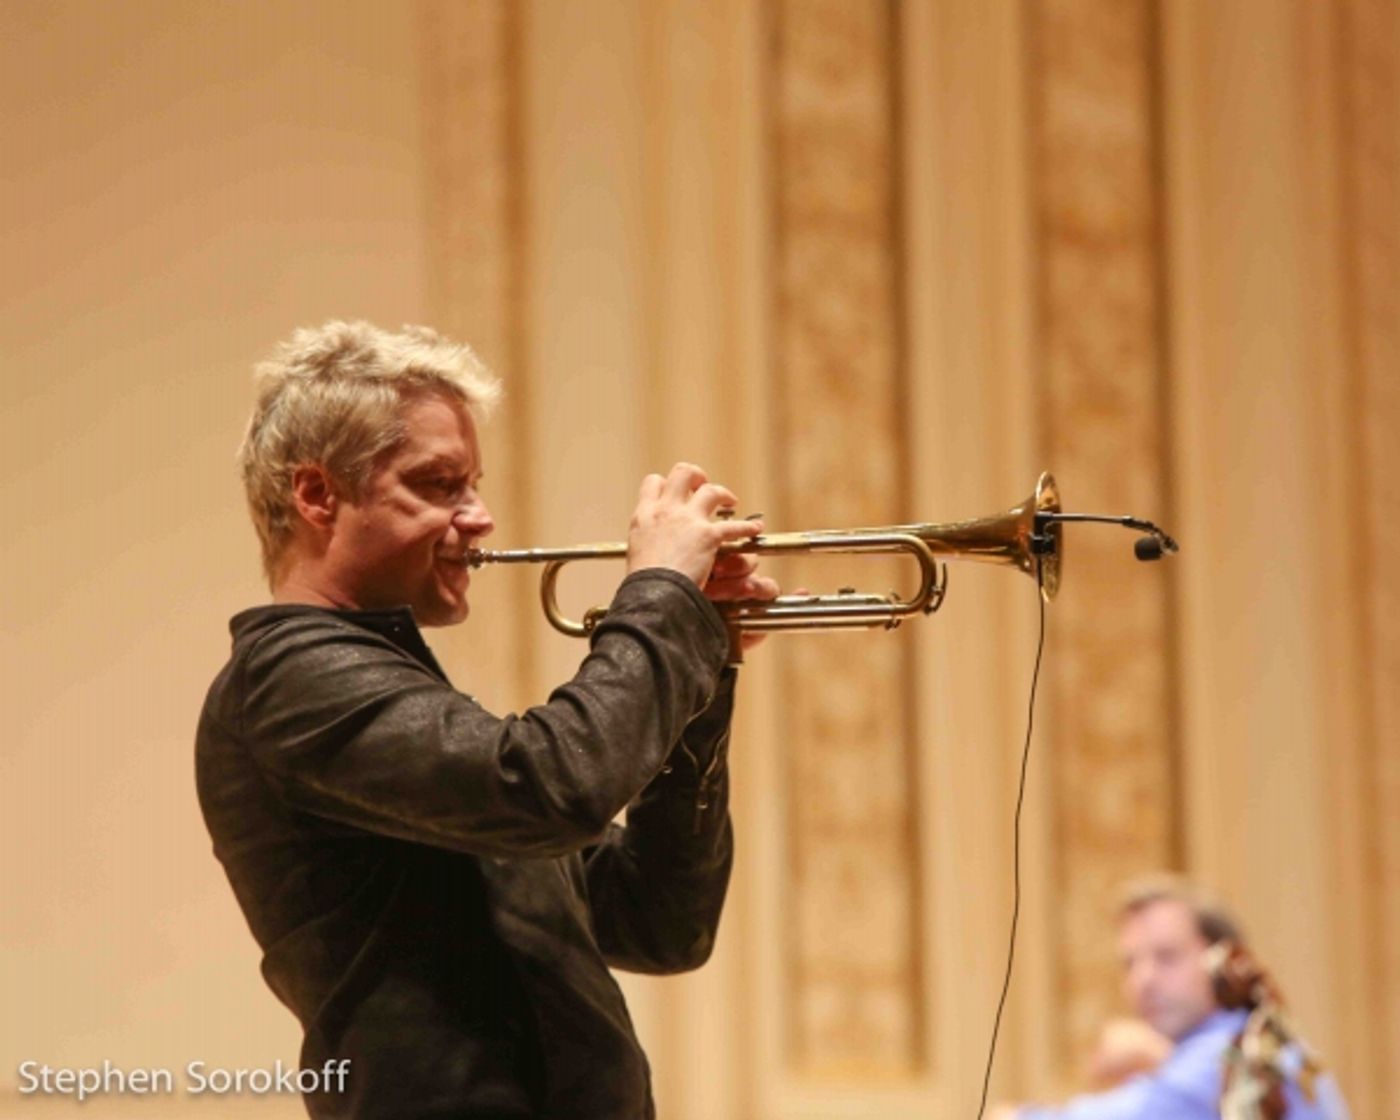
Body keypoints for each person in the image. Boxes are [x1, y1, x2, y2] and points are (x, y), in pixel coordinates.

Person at [196, 320, 777, 1119]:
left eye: (472, 484)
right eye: (440, 484)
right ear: (317, 494)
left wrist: (703, 665)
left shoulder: (405, 708)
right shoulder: (288, 677)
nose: (481, 517)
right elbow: (553, 787)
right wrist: (661, 598)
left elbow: (660, 921)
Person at [991, 875, 1351, 1120]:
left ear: (1225, 962)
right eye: (1129, 963)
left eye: (1167, 957)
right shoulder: (1245, 1039)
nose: (1143, 980)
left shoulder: (1233, 1051)